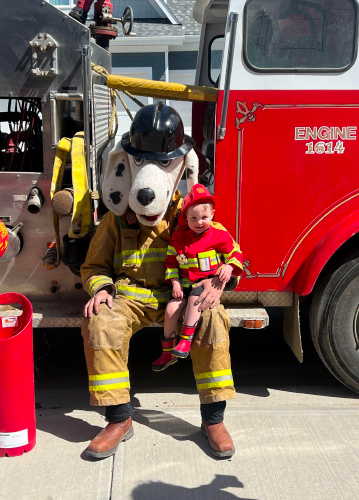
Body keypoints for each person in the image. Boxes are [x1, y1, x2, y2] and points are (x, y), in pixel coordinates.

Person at [81, 102, 239, 459]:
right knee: (100, 323)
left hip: (181, 297)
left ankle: (213, 419)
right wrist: (101, 288)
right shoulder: (118, 218)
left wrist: (218, 282)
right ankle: (119, 419)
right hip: (129, 297)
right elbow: (93, 266)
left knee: (213, 321)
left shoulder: (191, 212)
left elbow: (225, 249)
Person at [152, 184, 243, 370]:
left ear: (212, 215)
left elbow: (236, 253)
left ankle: (185, 342)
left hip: (204, 284)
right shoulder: (178, 237)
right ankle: (168, 352)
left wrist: (229, 266)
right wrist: (175, 284)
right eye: (193, 218)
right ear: (185, 218)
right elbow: (171, 263)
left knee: (195, 300)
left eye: (204, 217)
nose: (199, 222)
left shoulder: (219, 235)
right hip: (183, 285)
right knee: (170, 311)